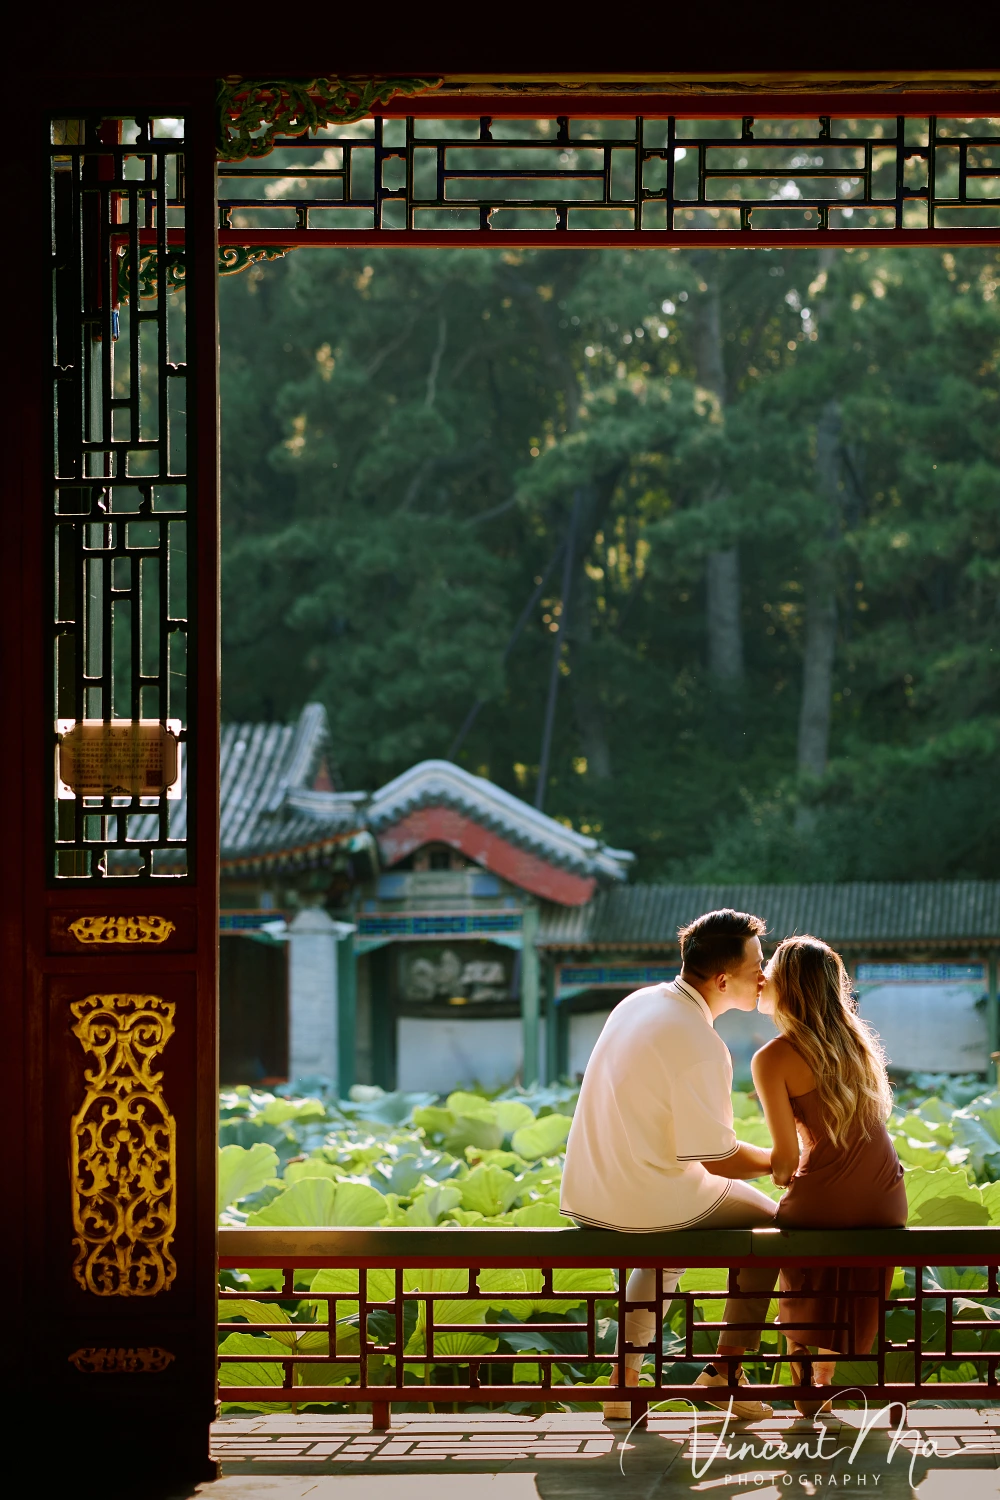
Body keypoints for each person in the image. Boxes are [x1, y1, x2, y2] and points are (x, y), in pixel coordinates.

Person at [561, 908, 780, 1422]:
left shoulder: (639, 1002)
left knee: (670, 1241)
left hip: (589, 1193)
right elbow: (720, 1159)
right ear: (724, 980)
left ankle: (625, 1378)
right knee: (774, 1227)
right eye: (757, 967)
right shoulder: (702, 1043)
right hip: (648, 1201)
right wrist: (781, 1161)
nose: (765, 976)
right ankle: (726, 1373)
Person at [753, 936, 907, 1417]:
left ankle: (803, 1380)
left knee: (797, 1253)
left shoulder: (773, 1057)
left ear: (788, 987)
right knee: (851, 1268)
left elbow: (781, 1163)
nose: (761, 978)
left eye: (770, 970)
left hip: (825, 1198)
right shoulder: (859, 1044)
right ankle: (825, 1378)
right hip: (887, 1197)